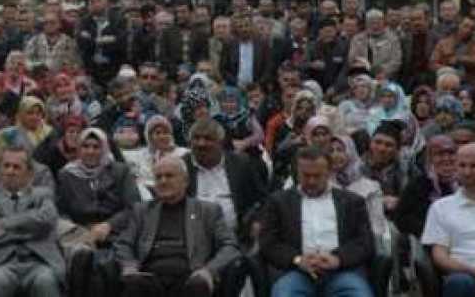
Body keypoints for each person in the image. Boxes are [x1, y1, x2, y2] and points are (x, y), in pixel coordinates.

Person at [115, 156, 240, 297]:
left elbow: (230, 246)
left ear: (185, 181)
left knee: (198, 286)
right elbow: (124, 243)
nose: (163, 181)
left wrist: (209, 271)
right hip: (148, 276)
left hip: (190, 276)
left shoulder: (208, 211)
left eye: (169, 176)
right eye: (158, 177)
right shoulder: (142, 211)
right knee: (133, 284)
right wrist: (129, 265)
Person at [260, 146, 375, 297]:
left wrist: (338, 259)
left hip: (342, 271)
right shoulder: (279, 202)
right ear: (297, 172)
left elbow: (365, 242)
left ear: (329, 172)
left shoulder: (352, 202)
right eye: (306, 175)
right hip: (296, 272)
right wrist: (297, 259)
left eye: (317, 175)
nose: (311, 181)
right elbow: (269, 243)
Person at [0, 144, 65, 297]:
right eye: (6, 166)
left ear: (29, 173)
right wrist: (31, 229)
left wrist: (7, 224)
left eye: (16, 167)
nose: (10, 171)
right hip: (2, 263)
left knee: (46, 280)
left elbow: (48, 221)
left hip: (39, 262)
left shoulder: (43, 196)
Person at [183, 118, 268, 246]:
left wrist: (257, 221)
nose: (201, 144)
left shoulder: (241, 164)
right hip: (193, 242)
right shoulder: (181, 166)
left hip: (238, 240)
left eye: (208, 138)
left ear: (220, 142)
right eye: (196, 138)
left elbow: (262, 200)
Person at [420, 143, 475, 297]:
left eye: (474, 166)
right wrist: (471, 271)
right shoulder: (441, 207)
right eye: (462, 165)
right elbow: (439, 255)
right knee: (459, 283)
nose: (467, 171)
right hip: (465, 276)